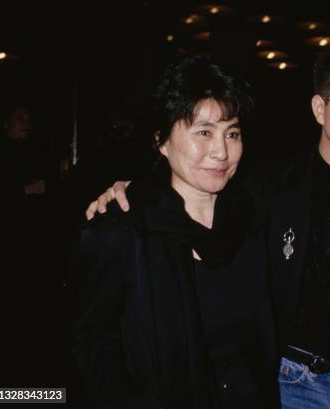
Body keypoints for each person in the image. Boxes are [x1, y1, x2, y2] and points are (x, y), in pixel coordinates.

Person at [87, 47, 330, 408]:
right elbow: (195, 186)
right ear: (319, 109)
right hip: (293, 386)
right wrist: (134, 191)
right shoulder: (266, 189)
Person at [71, 57, 279, 409]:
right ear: (161, 141)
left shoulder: (255, 218)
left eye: (232, 132)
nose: (221, 151)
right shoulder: (125, 229)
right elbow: (90, 343)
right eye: (203, 132)